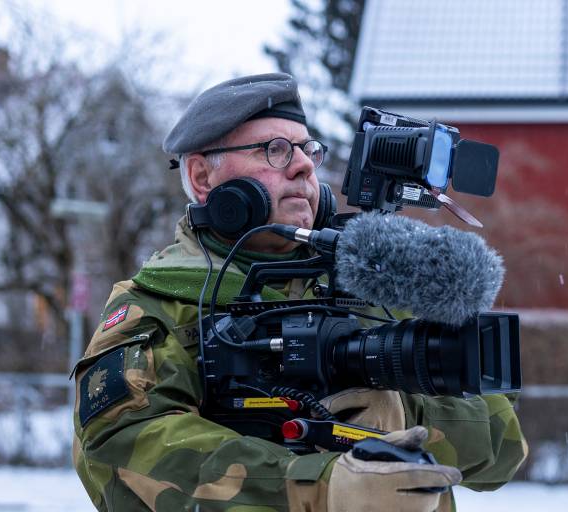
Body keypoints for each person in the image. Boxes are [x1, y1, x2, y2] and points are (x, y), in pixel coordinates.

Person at [71, 73, 528, 511]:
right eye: (274, 149)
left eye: (309, 149)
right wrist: (323, 488)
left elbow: (504, 447)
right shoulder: (159, 304)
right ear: (203, 177)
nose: (304, 164)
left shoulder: (364, 285)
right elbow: (122, 452)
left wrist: (403, 409)